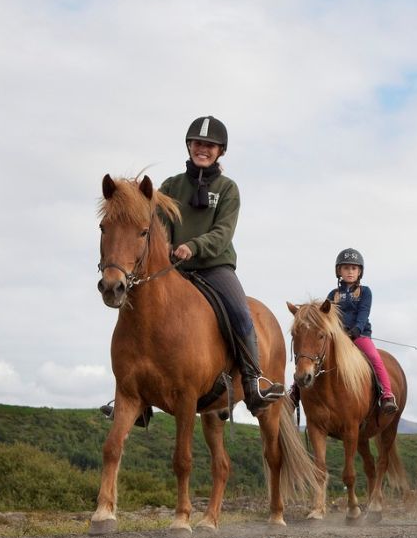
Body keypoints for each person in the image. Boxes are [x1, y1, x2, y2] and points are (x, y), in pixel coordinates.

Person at [100, 115, 283, 425]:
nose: (203, 149)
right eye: (198, 144)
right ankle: (135, 396)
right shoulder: (171, 186)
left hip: (215, 267)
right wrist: (168, 250)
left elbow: (223, 232)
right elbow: (157, 229)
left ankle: (253, 383)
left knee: (240, 312)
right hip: (174, 270)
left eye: (210, 146)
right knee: (139, 310)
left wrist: (194, 247)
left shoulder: (228, 189)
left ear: (220, 151)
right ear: (189, 146)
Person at [325, 248, 398, 415]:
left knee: (375, 358)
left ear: (359, 271)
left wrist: (356, 330)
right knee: (315, 354)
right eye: (346, 268)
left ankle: (387, 395)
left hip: (359, 335)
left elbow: (364, 313)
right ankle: (295, 391)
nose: (350, 272)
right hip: (338, 337)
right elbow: (327, 317)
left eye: (354, 268)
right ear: (339, 271)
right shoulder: (333, 294)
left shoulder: (365, 292)